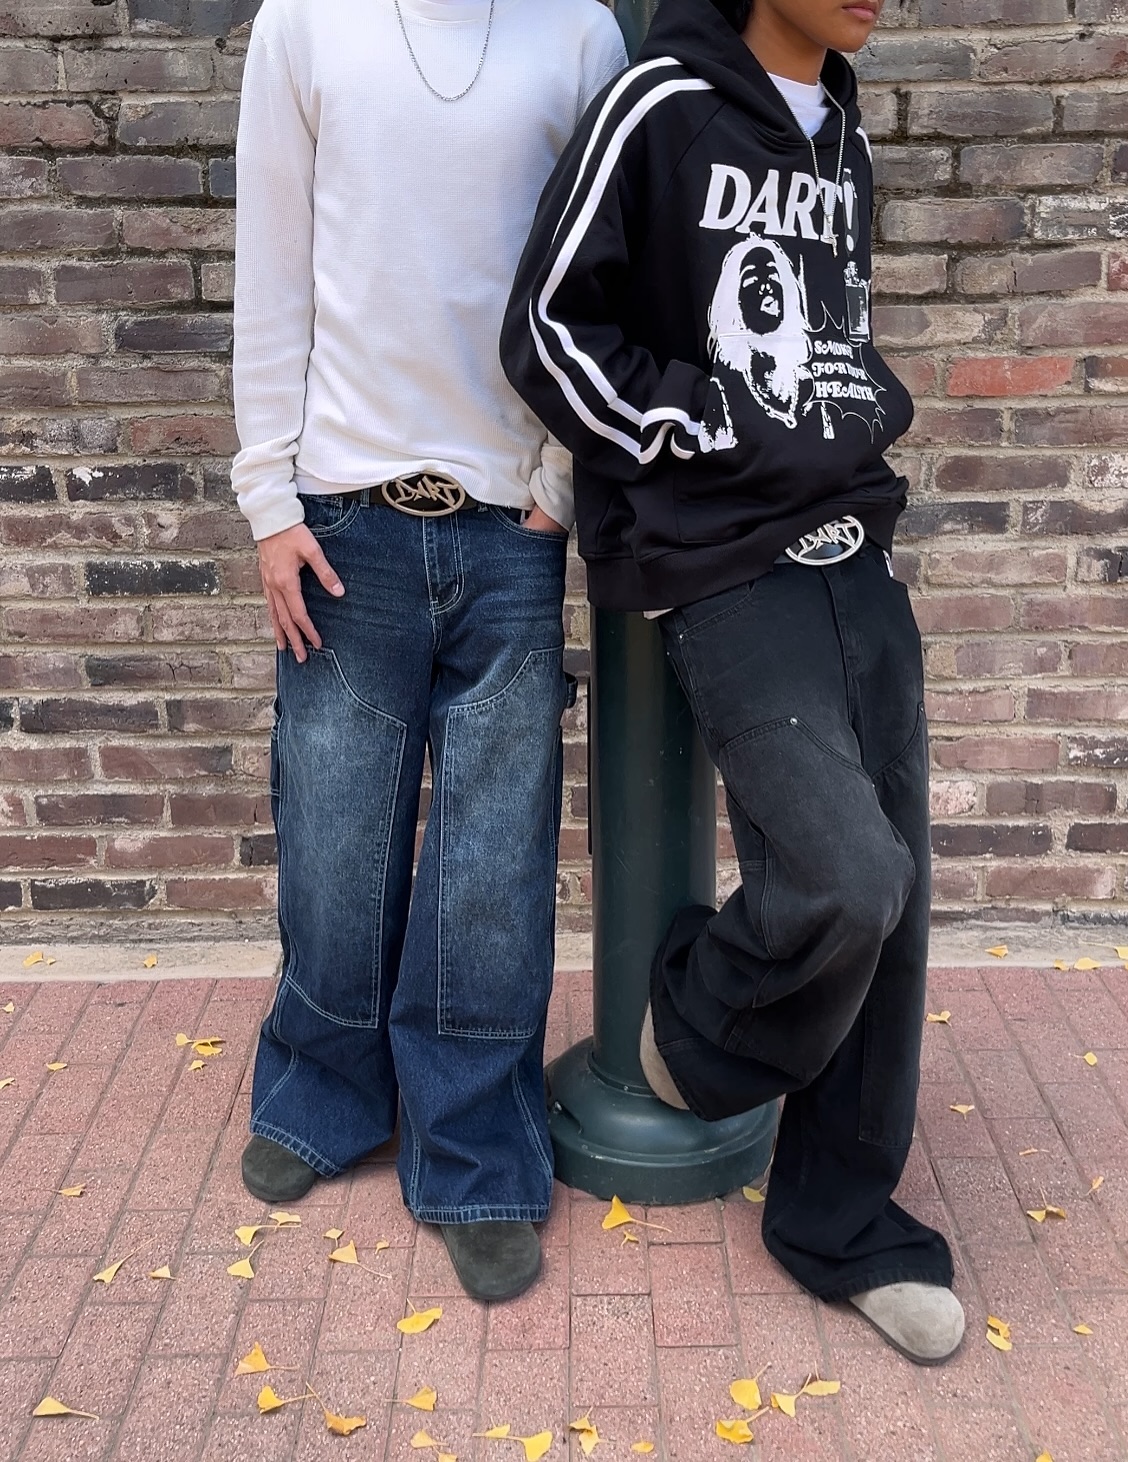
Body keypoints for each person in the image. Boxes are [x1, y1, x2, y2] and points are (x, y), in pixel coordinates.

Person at [502, 0, 965, 1361]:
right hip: (718, 560)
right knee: (842, 876)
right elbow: (548, 324)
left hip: (850, 543)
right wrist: (701, 424)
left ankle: (842, 1222)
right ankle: (696, 1031)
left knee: (897, 898)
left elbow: (833, 337)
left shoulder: (845, 139)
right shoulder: (660, 105)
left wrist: (850, 415)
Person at [230, 0, 626, 1302]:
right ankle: (322, 1090)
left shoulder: (579, 34)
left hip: (509, 525)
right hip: (344, 521)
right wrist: (268, 502)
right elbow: (271, 266)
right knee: (333, 839)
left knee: (491, 869)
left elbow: (608, 278)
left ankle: (472, 1153)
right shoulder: (303, 24)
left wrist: (561, 482)